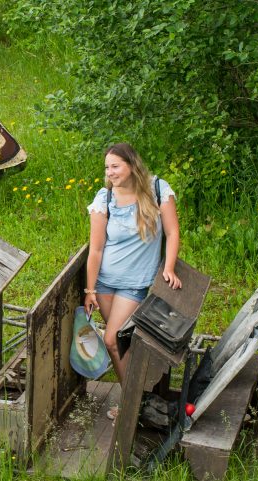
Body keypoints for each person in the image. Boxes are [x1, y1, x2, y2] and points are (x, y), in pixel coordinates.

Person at [85, 143, 182, 389]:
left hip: (136, 284)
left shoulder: (157, 189)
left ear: (132, 165)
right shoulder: (104, 198)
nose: (110, 173)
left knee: (112, 340)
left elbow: (172, 232)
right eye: (107, 168)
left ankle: (133, 402)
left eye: (115, 166)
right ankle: (134, 398)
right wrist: (90, 290)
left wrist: (168, 268)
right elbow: (95, 249)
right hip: (106, 282)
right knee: (121, 342)